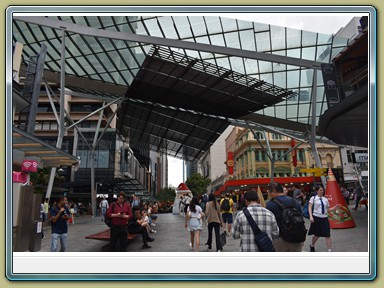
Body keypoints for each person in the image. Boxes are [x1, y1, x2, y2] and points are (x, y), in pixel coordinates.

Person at [266, 182, 304, 252]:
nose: (268, 194)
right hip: (296, 238)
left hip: (280, 239)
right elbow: (301, 216)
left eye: (269, 192)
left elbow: (268, 223)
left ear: (274, 191)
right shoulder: (294, 201)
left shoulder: (270, 204)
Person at [308, 186, 333, 252]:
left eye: (322, 190)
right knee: (317, 235)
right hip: (316, 217)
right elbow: (310, 207)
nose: (322, 191)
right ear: (317, 191)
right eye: (320, 190)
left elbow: (328, 209)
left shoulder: (325, 199)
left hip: (324, 218)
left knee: (327, 234)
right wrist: (311, 216)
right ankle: (312, 245)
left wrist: (334, 208)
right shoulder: (313, 198)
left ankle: (329, 250)